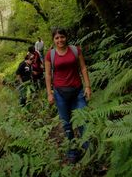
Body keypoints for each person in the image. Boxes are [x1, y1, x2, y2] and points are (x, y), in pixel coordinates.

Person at [44, 27, 92, 163]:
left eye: (62, 37)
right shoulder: (50, 55)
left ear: (66, 37)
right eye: (57, 38)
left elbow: (83, 68)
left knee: (83, 120)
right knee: (66, 124)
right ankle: (72, 150)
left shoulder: (76, 50)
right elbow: (47, 75)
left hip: (77, 92)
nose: (60, 40)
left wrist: (88, 86)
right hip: (60, 94)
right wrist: (49, 93)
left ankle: (88, 149)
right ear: (53, 40)